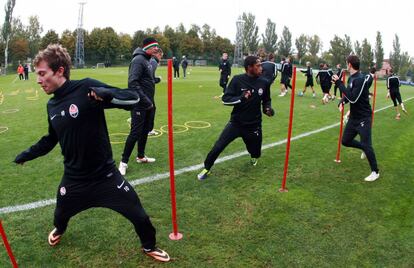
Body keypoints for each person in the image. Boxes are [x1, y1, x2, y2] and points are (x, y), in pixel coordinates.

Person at [13, 44, 170, 262]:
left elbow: (134, 98)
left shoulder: (86, 87)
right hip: (74, 180)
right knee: (60, 216)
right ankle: (59, 230)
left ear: (59, 71)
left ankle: (149, 246)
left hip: (106, 177)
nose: (38, 80)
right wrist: (25, 155)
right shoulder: (52, 105)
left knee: (140, 216)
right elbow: (51, 139)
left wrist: (108, 96)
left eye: (42, 74)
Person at [197, 56, 275, 180]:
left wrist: (268, 109)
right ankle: (207, 168)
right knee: (218, 146)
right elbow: (225, 99)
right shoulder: (237, 80)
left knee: (255, 152)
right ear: (249, 67)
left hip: (254, 124)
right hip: (236, 123)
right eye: (258, 65)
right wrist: (241, 98)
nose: (261, 68)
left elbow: (267, 100)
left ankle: (254, 156)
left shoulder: (264, 82)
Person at [332, 55, 379, 182]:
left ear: (349, 64)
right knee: (345, 141)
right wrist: (342, 101)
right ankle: (363, 148)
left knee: (367, 144)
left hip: (364, 117)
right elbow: (349, 94)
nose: (346, 65)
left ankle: (375, 172)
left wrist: (338, 83)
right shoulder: (352, 78)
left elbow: (353, 98)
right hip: (354, 117)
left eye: (346, 63)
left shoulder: (359, 79)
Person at [119, 37, 160, 176]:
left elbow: (146, 79)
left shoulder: (148, 60)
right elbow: (133, 83)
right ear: (147, 47)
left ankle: (141, 156)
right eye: (154, 46)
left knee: (145, 131)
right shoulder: (138, 60)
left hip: (148, 103)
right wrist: (145, 101)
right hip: (139, 104)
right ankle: (123, 162)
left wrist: (155, 80)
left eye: (157, 46)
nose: (156, 49)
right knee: (135, 132)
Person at [148, 48, 163, 136]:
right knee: (151, 109)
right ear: (158, 54)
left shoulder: (150, 60)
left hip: (146, 89)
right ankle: (149, 129)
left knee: (149, 108)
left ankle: (135, 120)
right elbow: (150, 78)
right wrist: (158, 79)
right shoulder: (154, 62)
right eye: (161, 56)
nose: (161, 58)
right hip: (148, 90)